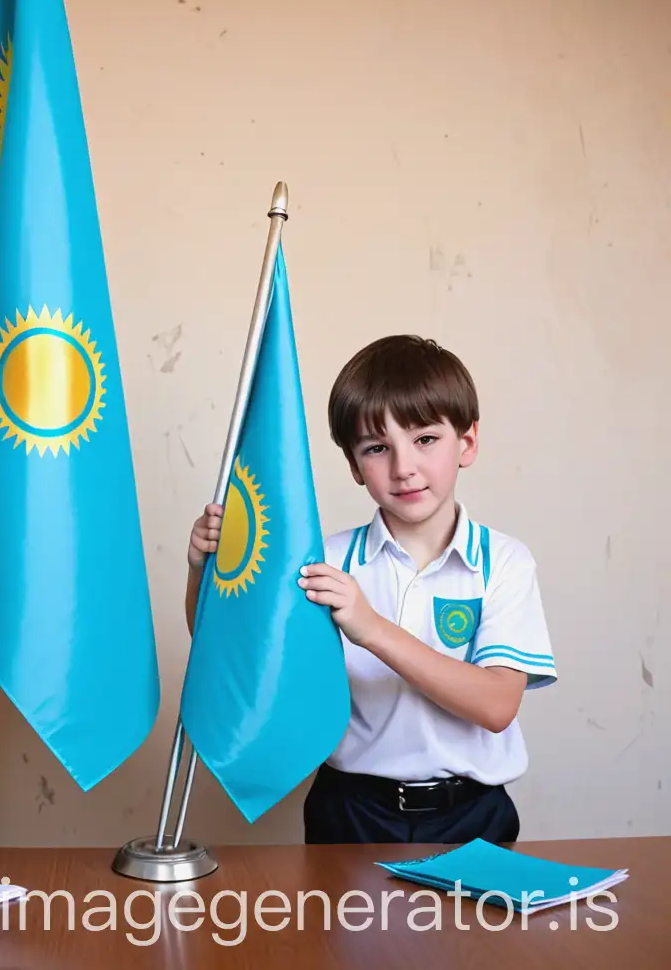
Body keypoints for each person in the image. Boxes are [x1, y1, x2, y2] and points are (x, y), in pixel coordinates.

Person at [186, 334, 557, 844]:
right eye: (377, 448)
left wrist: (371, 629)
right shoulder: (324, 563)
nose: (403, 467)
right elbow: (233, 657)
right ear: (355, 466)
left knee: (474, 927)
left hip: (473, 814)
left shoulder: (504, 563)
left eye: (425, 439)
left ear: (467, 442)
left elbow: (496, 706)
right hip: (352, 810)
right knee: (346, 927)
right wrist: (203, 573)